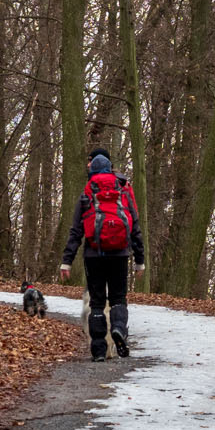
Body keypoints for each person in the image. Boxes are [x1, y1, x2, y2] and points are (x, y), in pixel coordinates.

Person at [58, 148, 144, 360]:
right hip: (120, 254)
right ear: (111, 170)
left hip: (94, 254)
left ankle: (98, 350)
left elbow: (76, 231)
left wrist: (66, 261)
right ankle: (118, 329)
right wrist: (139, 261)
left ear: (92, 171)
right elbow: (135, 226)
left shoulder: (87, 193)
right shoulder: (123, 191)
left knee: (97, 302)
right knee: (118, 299)